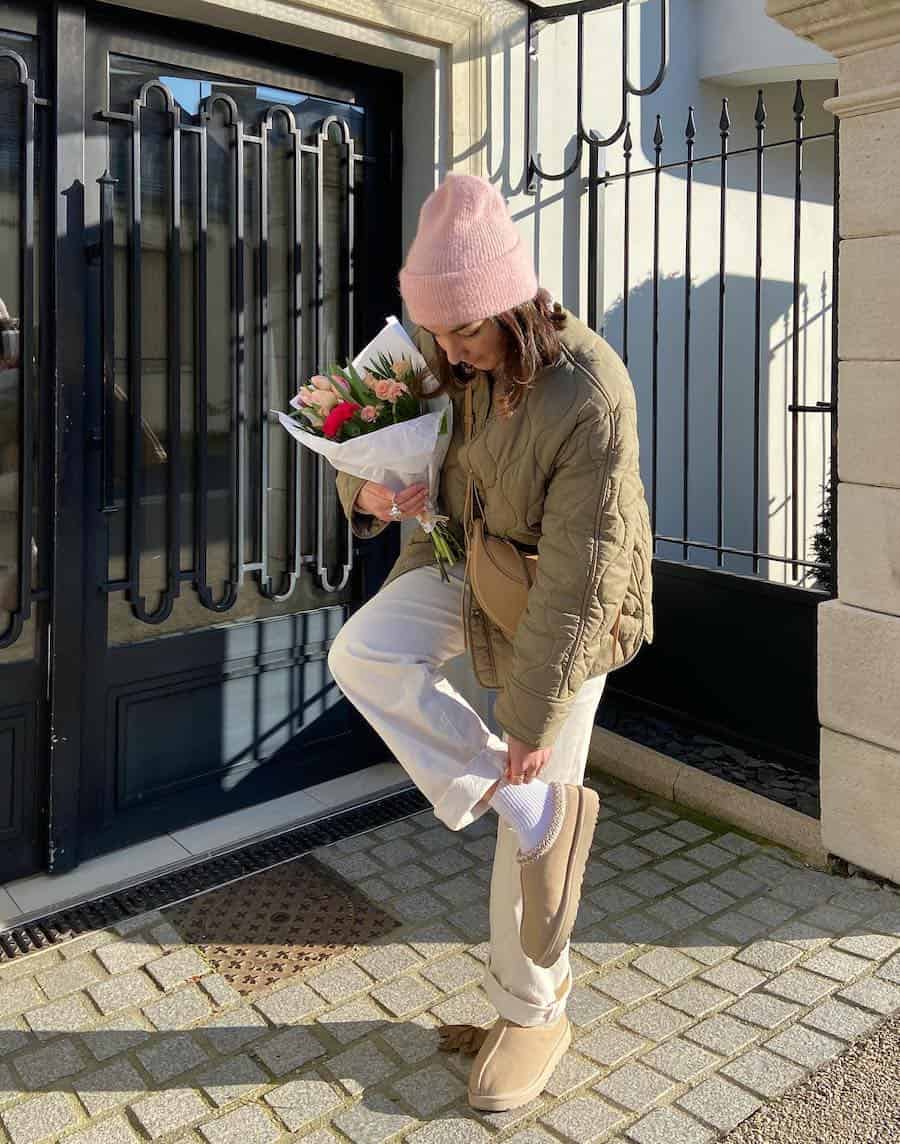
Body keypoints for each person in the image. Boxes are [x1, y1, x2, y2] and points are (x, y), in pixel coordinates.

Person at [329, 174, 653, 1112]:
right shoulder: (443, 362)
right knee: (362, 654)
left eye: (466, 332)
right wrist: (369, 495)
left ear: (515, 303)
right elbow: (377, 454)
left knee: (534, 789)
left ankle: (535, 1010)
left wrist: (528, 720)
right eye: (436, 332)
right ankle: (523, 802)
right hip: (464, 567)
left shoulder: (590, 391)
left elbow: (581, 580)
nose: (450, 353)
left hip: (569, 610)